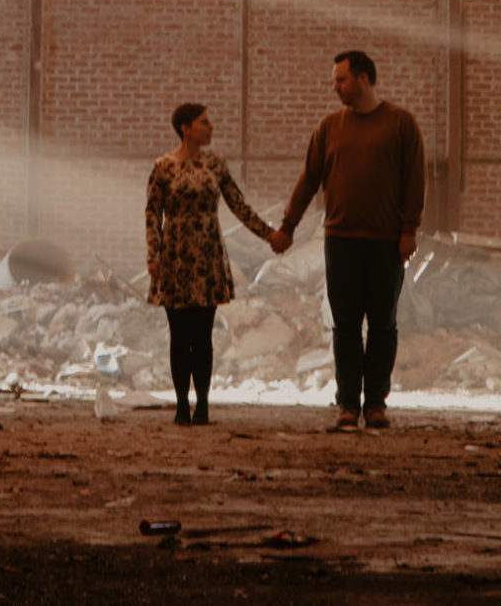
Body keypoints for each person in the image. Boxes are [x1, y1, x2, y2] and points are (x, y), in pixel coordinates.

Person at [272, 49, 425, 432]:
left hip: (386, 242)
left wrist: (409, 230)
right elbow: (308, 179)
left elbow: (415, 180)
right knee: (344, 325)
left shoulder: (401, 125)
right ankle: (346, 405)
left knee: (383, 325)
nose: (335, 87)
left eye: (341, 79)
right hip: (340, 239)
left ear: (363, 79)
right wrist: (288, 226)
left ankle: (375, 404)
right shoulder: (329, 128)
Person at [144, 101, 275, 426]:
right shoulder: (163, 166)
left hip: (207, 254)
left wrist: (270, 234)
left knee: (202, 334)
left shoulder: (216, 165)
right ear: (185, 128)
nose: (211, 127)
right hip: (174, 256)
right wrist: (153, 255)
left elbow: (238, 204)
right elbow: (152, 213)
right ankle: (180, 406)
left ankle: (202, 404)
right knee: (179, 334)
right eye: (204, 122)